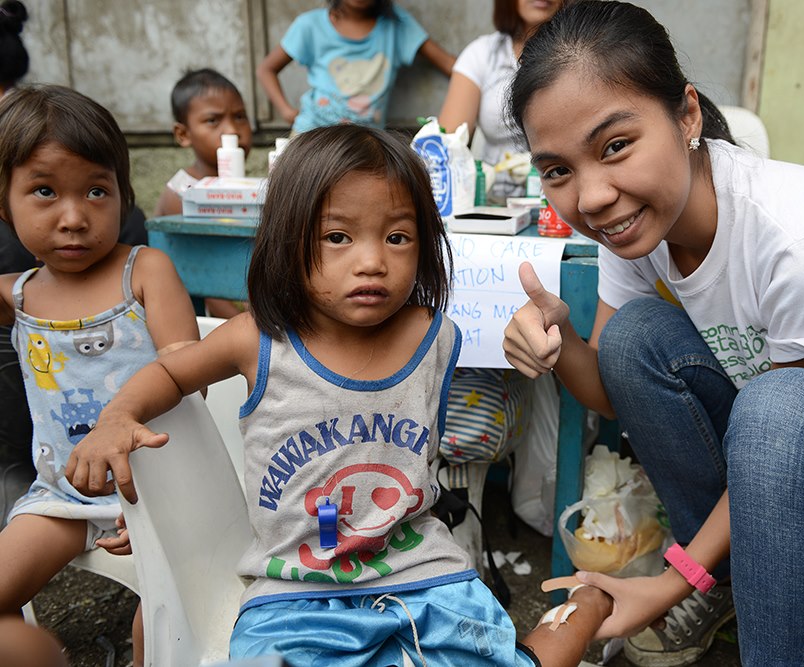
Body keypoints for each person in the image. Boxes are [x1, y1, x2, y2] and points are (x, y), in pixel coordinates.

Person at [501, 3, 804, 666]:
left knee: (776, 406)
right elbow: (612, 393)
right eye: (558, 170)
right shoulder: (635, 224)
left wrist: (672, 579)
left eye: (615, 145)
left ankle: (716, 588)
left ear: (687, 116)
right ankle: (728, 580)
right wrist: (557, 341)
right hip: (788, 448)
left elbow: (788, 428)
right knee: (633, 338)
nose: (591, 196)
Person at [66, 124, 612, 667]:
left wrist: (542, 331)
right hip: (294, 593)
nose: (372, 261)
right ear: (289, 240)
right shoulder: (256, 339)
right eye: (337, 237)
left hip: (425, 577)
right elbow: (170, 373)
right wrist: (118, 416)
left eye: (397, 237)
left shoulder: (435, 336)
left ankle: (587, 605)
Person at [0, 85, 199, 662]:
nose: (74, 217)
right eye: (44, 191)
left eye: (96, 190)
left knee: (163, 627)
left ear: (121, 195)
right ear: (4, 204)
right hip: (61, 497)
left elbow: (190, 371)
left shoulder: (146, 271)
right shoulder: (18, 294)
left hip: (161, 491)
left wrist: (167, 510)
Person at [256, 0, 455, 133]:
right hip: (312, 133)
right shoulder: (310, 25)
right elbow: (266, 69)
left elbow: (449, 63)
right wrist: (286, 111)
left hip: (366, 142)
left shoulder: (396, 25)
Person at [438, 0, 563, 202]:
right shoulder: (482, 54)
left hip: (561, 202)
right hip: (494, 202)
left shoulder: (582, 52)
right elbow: (446, 144)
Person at [154, 68, 254, 319]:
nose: (232, 129)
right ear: (183, 134)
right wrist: (250, 327)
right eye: (213, 120)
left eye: (240, 116)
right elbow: (206, 278)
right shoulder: (183, 192)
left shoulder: (247, 189)